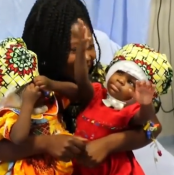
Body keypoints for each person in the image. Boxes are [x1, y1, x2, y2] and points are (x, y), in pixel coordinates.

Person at [0, 0, 162, 167]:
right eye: (75, 49)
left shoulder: (104, 80)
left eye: (89, 45)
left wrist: (109, 144)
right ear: (49, 48)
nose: (88, 56)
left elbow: (153, 128)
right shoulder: (22, 84)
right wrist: (44, 144)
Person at [65, 21, 173, 174]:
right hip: (83, 164)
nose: (121, 80)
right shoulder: (96, 94)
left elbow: (152, 126)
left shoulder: (129, 110)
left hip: (114, 169)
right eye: (119, 72)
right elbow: (81, 78)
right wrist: (81, 50)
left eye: (131, 82)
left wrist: (145, 103)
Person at [0, 37, 75, 175]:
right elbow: (18, 138)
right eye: (23, 90)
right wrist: (27, 105)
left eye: (34, 83)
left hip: (54, 167)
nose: (35, 90)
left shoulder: (48, 102)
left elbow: (75, 92)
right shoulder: (11, 114)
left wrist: (52, 84)